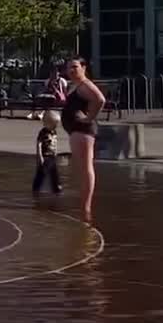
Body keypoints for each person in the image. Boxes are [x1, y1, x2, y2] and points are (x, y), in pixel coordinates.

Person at [62, 58, 105, 222]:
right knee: (81, 169)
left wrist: (88, 118)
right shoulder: (76, 86)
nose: (71, 70)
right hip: (77, 131)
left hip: (83, 131)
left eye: (75, 67)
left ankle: (86, 207)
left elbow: (100, 100)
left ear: (84, 67)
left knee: (86, 168)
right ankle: (83, 204)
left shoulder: (85, 85)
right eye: (68, 67)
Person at [32, 110, 62, 196]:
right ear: (47, 123)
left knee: (54, 173)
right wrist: (40, 156)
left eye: (57, 124)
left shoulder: (54, 131)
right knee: (42, 172)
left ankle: (56, 187)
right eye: (54, 124)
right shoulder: (43, 132)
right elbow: (39, 144)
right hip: (45, 156)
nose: (56, 126)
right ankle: (36, 188)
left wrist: (56, 152)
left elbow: (54, 143)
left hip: (52, 156)